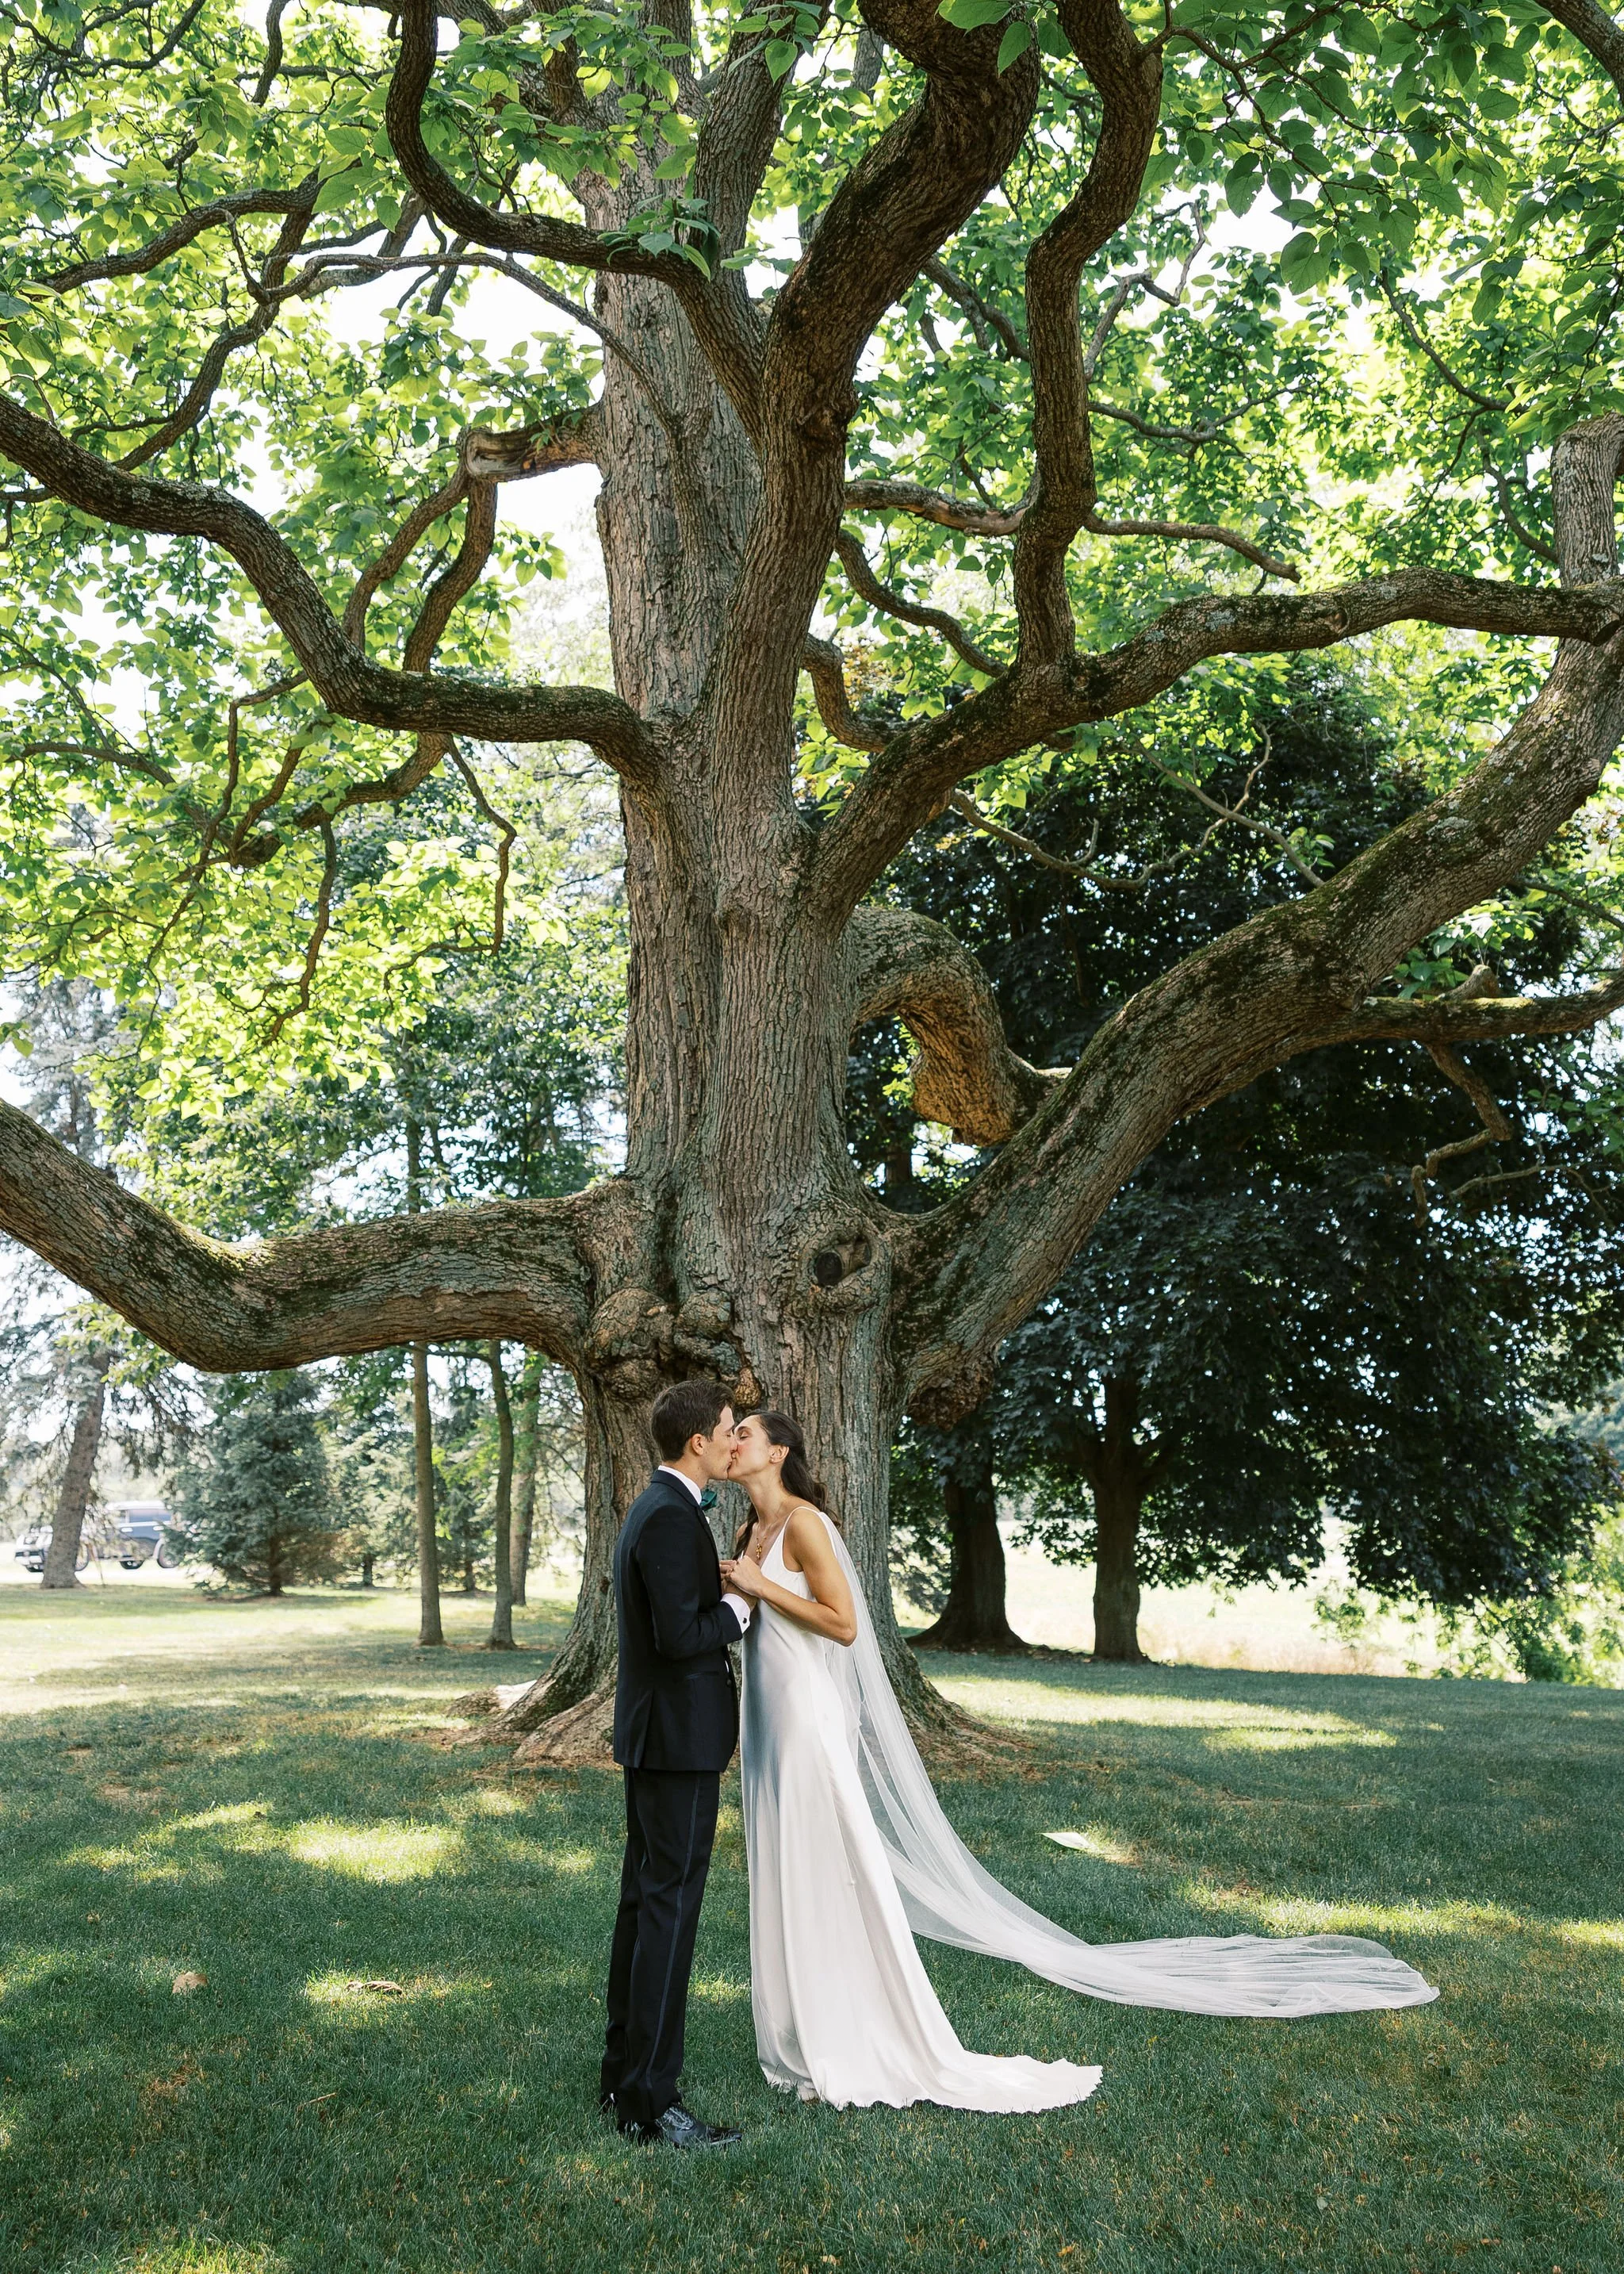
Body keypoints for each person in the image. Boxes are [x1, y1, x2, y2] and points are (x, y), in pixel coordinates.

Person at [722, 1408, 1438, 2114]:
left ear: (780, 1452)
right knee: (783, 1867)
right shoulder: (748, 1530)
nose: (733, 1440)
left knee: (826, 1868)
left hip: (808, 1723)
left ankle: (854, 2035)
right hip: (766, 1724)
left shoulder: (807, 1523)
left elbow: (845, 1626)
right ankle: (795, 2034)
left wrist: (761, 1586)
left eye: (746, 1431)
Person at [600, 1379, 753, 2149]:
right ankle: (650, 2100)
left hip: (661, 1736)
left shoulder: (658, 1507)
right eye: (729, 1430)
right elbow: (678, 1635)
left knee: (645, 1903)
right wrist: (740, 1610)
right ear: (697, 1441)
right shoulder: (666, 1514)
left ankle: (621, 2077)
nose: (735, 1441)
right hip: (676, 1739)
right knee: (666, 1911)